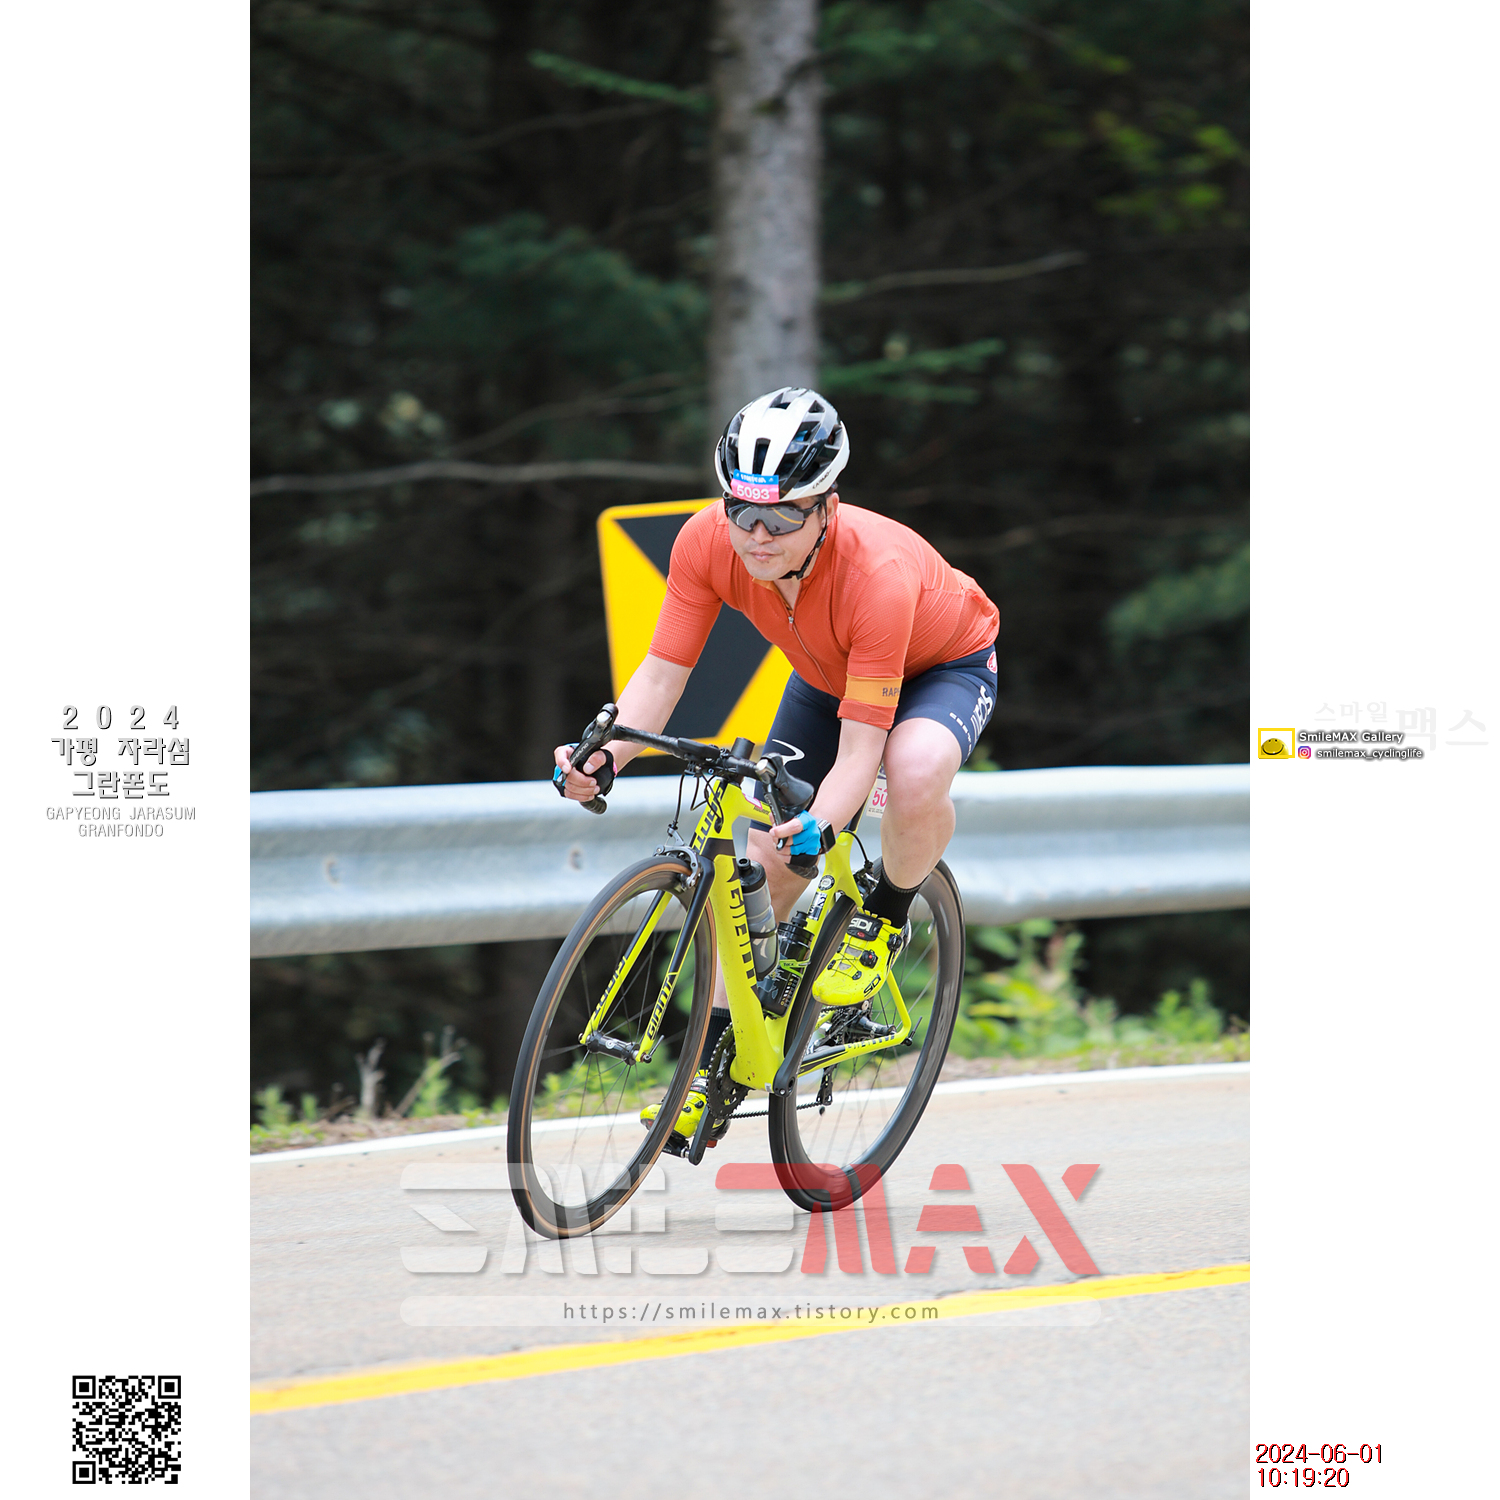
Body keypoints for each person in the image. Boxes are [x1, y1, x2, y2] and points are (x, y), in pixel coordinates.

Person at [554, 386, 999, 1144]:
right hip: (826, 676)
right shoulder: (705, 541)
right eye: (743, 511)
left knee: (913, 768)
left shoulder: (877, 574)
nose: (758, 537)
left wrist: (824, 823)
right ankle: (716, 1063)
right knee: (763, 860)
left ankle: (885, 917)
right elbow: (661, 674)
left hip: (940, 668)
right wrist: (608, 753)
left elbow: (862, 751)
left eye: (784, 516)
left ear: (827, 508)